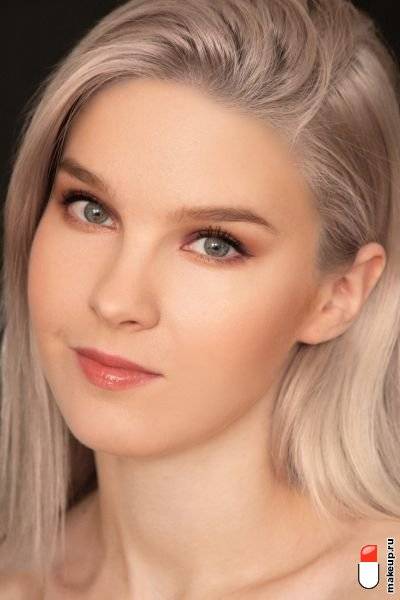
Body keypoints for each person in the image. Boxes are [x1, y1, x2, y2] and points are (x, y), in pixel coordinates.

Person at [1, 0, 400, 598]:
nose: (115, 300)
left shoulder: (383, 574)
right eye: (92, 210)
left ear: (338, 296)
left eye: (215, 244)